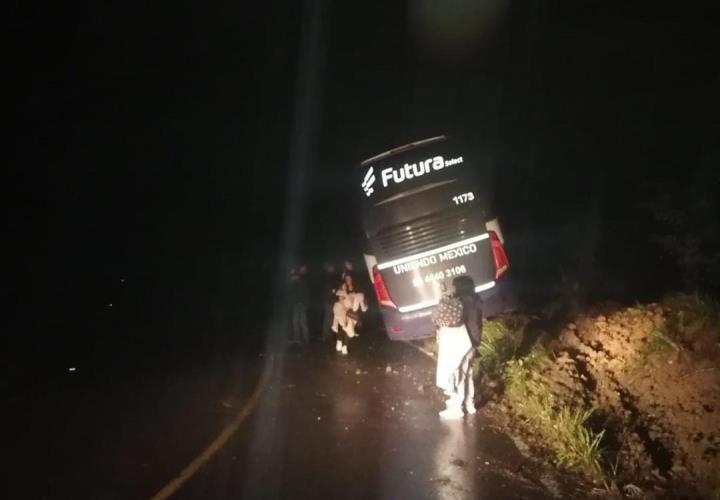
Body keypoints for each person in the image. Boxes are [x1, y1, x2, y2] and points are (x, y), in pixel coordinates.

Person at [432, 280, 476, 419]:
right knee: (468, 374)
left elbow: (435, 319)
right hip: (468, 342)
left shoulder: (453, 304)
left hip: (456, 344)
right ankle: (470, 405)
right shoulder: (474, 301)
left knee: (457, 376)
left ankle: (456, 409)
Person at [331, 273, 368, 355]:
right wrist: (344, 296)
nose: (348, 280)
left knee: (350, 329)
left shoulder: (356, 288)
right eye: (347, 279)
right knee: (342, 326)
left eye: (350, 278)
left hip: (353, 312)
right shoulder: (343, 287)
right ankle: (339, 342)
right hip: (344, 310)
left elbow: (361, 297)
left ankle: (344, 346)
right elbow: (339, 297)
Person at [288, 265, 310, 345]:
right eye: (301, 269)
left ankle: (305, 338)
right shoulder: (296, 278)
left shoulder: (303, 279)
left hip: (301, 304)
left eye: (303, 269)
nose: (302, 270)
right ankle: (297, 339)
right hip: (296, 303)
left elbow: (306, 293)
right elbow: (290, 287)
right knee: (296, 322)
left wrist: (306, 304)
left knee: (302, 322)